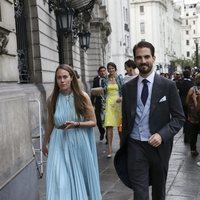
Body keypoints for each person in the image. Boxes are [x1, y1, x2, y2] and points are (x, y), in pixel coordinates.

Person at [114, 41, 185, 200]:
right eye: (139, 57)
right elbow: (126, 117)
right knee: (140, 193)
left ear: (153, 58)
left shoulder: (168, 85)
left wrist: (162, 135)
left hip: (159, 148)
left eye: (147, 57)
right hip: (135, 145)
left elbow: (179, 117)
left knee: (159, 193)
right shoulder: (128, 87)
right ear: (135, 60)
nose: (143, 61)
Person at [42, 64, 101, 200]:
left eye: (65, 77)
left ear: (71, 78)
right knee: (60, 182)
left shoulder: (82, 97)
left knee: (77, 179)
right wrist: (45, 142)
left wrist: (77, 124)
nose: (62, 81)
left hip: (78, 142)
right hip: (58, 142)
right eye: (59, 78)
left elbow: (93, 122)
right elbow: (50, 122)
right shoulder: (51, 99)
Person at [103, 62, 124, 158]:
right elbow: (104, 92)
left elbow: (123, 90)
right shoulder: (105, 79)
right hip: (108, 103)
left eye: (112, 68)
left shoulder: (119, 78)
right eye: (109, 68)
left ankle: (122, 147)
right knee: (109, 126)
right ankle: (110, 150)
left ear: (115, 69)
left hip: (118, 104)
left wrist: (121, 97)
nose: (110, 70)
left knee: (120, 127)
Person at [177, 69, 194, 143]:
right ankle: (188, 134)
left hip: (181, 102)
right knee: (189, 118)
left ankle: (185, 131)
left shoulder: (180, 82)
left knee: (184, 117)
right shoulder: (192, 83)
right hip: (190, 103)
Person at [186, 73, 200, 157]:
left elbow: (187, 102)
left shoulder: (192, 89)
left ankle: (193, 149)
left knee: (193, 133)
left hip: (193, 116)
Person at [91, 66, 107, 141]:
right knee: (98, 120)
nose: (103, 72)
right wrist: (91, 103)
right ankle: (102, 131)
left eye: (104, 71)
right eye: (101, 71)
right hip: (98, 101)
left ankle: (108, 136)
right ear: (98, 72)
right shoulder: (96, 79)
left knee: (107, 120)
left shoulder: (108, 79)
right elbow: (93, 92)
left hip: (107, 101)